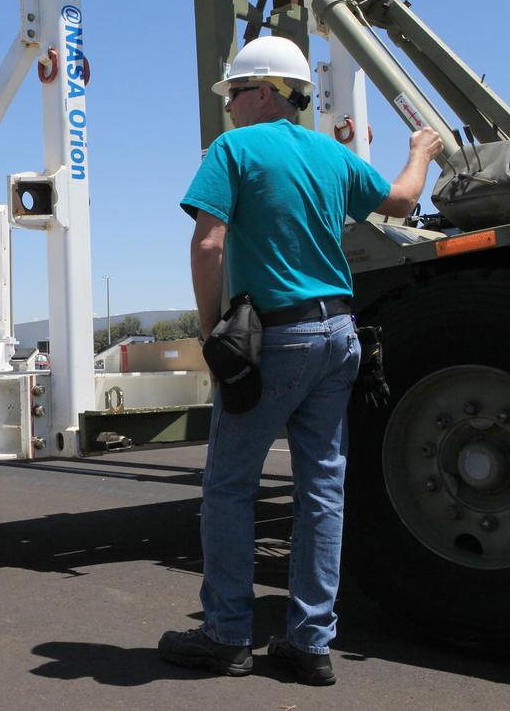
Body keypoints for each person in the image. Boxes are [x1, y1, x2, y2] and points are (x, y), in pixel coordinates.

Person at [158, 36, 443, 686]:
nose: (229, 106)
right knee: (322, 490)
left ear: (263, 91)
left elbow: (208, 242)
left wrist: (212, 335)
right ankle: (309, 644)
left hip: (278, 336)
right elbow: (401, 202)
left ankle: (227, 633)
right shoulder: (331, 154)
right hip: (341, 333)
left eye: (233, 93)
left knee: (230, 484)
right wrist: (420, 151)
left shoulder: (232, 150)